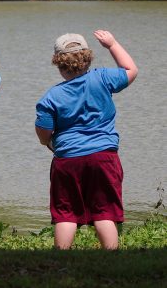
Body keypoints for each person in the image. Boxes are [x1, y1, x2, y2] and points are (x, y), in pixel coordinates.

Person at [35, 30, 138, 250]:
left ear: (59, 64)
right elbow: (131, 70)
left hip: (67, 160)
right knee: (105, 212)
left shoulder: (50, 97)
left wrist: (51, 143)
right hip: (104, 157)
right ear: (87, 58)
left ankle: (61, 255)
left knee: (66, 213)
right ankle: (111, 254)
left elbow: (43, 132)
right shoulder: (102, 78)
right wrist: (111, 44)